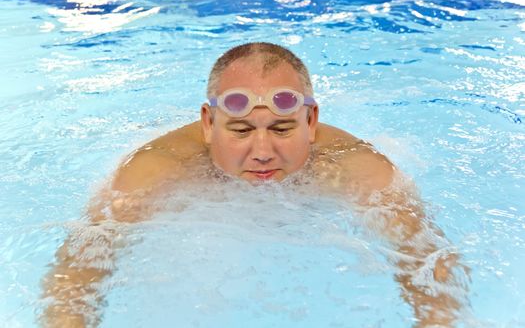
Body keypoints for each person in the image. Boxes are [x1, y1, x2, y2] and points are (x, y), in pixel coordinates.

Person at [41, 42, 468, 327]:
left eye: (282, 129)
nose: (262, 152)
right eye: (241, 131)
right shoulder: (156, 169)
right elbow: (77, 274)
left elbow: (430, 265)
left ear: (311, 121)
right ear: (208, 125)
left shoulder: (356, 167)